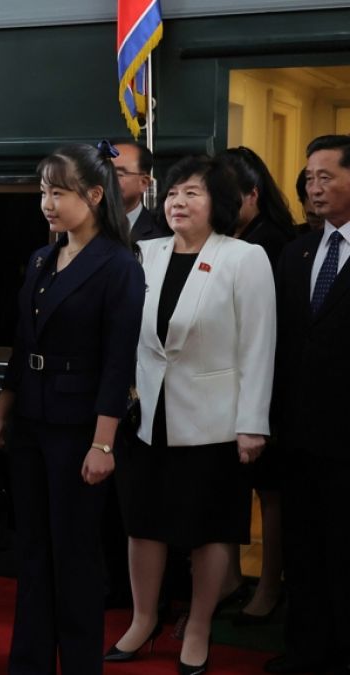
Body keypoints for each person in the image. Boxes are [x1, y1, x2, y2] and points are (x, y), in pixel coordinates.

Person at [0, 143, 144, 675]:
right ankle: (27, 663)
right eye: (44, 191)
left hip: (81, 429)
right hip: (30, 421)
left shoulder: (119, 264)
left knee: (74, 555)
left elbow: (119, 364)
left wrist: (103, 443)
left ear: (95, 196)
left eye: (59, 192)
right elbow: (24, 345)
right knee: (32, 551)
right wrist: (3, 413)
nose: (47, 202)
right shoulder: (41, 257)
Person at [108, 155, 275, 675]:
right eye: (174, 192)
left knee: (207, 530)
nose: (179, 201)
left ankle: (198, 626)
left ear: (218, 203)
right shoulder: (144, 253)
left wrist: (253, 423)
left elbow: (258, 347)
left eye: (193, 193)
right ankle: (142, 619)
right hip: (146, 416)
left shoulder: (244, 258)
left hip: (215, 422)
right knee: (143, 524)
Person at [266, 134, 350, 675]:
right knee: (303, 553)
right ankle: (304, 654)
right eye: (309, 179)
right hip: (296, 436)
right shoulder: (295, 251)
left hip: (347, 440)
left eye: (326, 177)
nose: (313, 188)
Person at [214, 145, 296, 625]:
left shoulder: (273, 243)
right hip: (224, 385)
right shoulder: (228, 238)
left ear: (252, 195)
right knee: (229, 489)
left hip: (267, 386)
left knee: (270, 494)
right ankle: (228, 582)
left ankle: (268, 587)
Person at [114, 141, 171, 243]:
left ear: (144, 182)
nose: (107, 179)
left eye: (118, 174)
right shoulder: (82, 228)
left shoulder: (164, 234)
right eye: (103, 171)